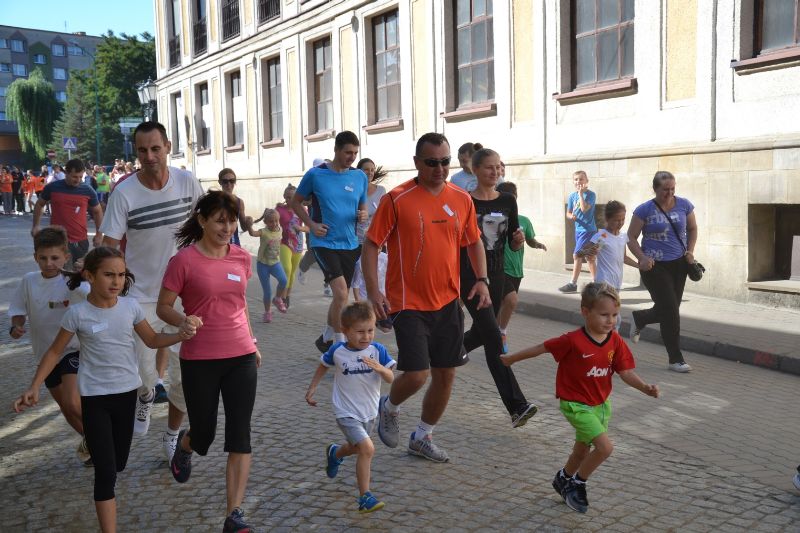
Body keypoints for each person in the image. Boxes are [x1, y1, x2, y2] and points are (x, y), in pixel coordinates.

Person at [13, 246, 195, 533]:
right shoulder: (77, 313)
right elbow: (53, 352)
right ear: (90, 276)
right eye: (109, 275)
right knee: (106, 473)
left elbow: (151, 340)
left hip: (126, 395)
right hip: (94, 398)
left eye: (121, 275)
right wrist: (34, 387)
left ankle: (96, 446)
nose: (116, 282)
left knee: (119, 463)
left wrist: (178, 335)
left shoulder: (130, 307)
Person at [363, 132, 489, 462]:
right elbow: (372, 244)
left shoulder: (462, 198)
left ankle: (422, 436)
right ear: (417, 162)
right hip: (407, 302)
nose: (439, 168)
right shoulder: (397, 199)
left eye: (444, 162)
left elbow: (473, 241)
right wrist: (374, 292)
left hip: (448, 301)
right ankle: (389, 407)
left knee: (446, 374)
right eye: (432, 162)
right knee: (418, 373)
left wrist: (482, 279)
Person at [501, 282, 660, 514]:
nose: (611, 321)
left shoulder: (615, 342)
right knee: (605, 448)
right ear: (585, 312)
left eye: (615, 315)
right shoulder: (572, 340)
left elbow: (625, 372)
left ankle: (563, 478)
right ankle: (577, 484)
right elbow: (542, 347)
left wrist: (645, 388)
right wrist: (512, 358)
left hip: (601, 406)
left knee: (582, 450)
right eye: (604, 315)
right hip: (576, 405)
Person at [100, 121, 204, 462]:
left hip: (184, 295)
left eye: (155, 148)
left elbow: (204, 229)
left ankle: (173, 435)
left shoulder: (187, 182)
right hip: (140, 295)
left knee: (187, 374)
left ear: (168, 146)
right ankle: (145, 396)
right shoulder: (124, 193)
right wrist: (106, 292)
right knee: (142, 374)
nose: (149, 156)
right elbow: (110, 246)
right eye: (142, 150)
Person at [157, 190, 260, 533]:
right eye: (219, 220)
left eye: (231, 220)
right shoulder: (183, 261)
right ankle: (185, 446)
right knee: (204, 435)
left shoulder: (243, 258)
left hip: (241, 356)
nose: (227, 226)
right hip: (200, 358)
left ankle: (235, 514)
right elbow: (163, 306)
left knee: (240, 434)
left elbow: (240, 304)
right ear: (202, 220)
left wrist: (253, 342)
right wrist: (182, 321)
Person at [459, 149, 537, 428]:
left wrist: (518, 240)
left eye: (498, 167)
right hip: (469, 275)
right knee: (493, 336)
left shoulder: (507, 200)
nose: (495, 172)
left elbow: (514, 241)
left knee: (483, 329)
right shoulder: (465, 201)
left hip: (498, 272)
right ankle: (517, 405)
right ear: (476, 170)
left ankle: (449, 351)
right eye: (489, 168)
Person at [8, 226, 91, 464]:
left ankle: (103, 440)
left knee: (74, 401)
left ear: (66, 256)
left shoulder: (72, 282)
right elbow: (17, 310)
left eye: (55, 258)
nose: (49, 263)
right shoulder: (28, 281)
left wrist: (86, 277)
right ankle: (95, 443)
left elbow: (95, 297)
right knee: (66, 408)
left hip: (71, 349)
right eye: (43, 258)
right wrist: (16, 326)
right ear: (35, 257)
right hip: (44, 355)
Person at [305, 301, 396, 513]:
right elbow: (323, 366)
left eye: (370, 330)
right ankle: (365, 497)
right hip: (345, 412)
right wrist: (312, 388)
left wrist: (381, 369)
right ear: (345, 331)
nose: (366, 337)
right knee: (367, 448)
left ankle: (335, 453)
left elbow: (391, 378)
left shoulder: (378, 351)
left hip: (369, 412)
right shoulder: (337, 351)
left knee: (356, 448)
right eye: (360, 332)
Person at [290, 131, 368, 354]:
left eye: (355, 153)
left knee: (339, 297)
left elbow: (362, 205)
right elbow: (296, 202)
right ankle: (339, 345)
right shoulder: (316, 175)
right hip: (323, 242)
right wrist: (312, 225)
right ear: (336, 150)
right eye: (347, 152)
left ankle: (326, 336)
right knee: (342, 293)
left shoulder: (359, 176)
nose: (351, 157)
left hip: (351, 244)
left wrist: (362, 214)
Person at [627, 171, 698, 373]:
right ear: (655, 189)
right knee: (670, 311)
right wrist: (641, 257)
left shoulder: (684, 205)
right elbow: (631, 237)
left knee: (670, 309)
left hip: (679, 264)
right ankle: (675, 359)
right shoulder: (644, 210)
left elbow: (693, 229)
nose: (670, 193)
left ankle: (639, 318)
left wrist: (690, 251)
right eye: (665, 189)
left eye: (672, 188)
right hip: (654, 266)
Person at [494, 181, 547, 353]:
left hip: (517, 270)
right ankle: (501, 333)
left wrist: (536, 244)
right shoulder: (494, 219)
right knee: (509, 301)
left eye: (513, 198)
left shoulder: (523, 220)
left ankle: (492, 336)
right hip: (500, 269)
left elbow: (529, 239)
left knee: (503, 305)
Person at [31, 159, 104, 268]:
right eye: (75, 177)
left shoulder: (87, 190)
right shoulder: (52, 187)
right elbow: (39, 204)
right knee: (62, 276)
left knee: (79, 277)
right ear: (66, 173)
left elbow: (98, 211)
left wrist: (99, 234)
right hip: (57, 241)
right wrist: (36, 225)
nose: (78, 180)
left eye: (80, 177)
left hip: (80, 242)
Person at [583, 201, 640, 330]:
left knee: (610, 315)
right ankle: (612, 344)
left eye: (623, 219)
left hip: (616, 282)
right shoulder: (603, 235)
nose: (620, 223)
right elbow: (585, 249)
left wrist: (639, 266)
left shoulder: (623, 237)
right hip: (604, 282)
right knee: (615, 317)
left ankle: (601, 340)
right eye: (616, 220)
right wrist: (589, 251)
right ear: (608, 219)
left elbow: (624, 257)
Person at [248, 207, 288, 323]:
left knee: (283, 280)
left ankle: (278, 298)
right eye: (271, 221)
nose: (274, 223)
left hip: (275, 263)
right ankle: (267, 312)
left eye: (276, 220)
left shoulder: (280, 229)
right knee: (267, 291)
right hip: (263, 265)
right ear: (265, 222)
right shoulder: (263, 232)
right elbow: (252, 233)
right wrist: (249, 225)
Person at [559, 170, 597, 293]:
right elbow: (568, 212)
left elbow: (584, 209)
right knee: (590, 257)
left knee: (577, 255)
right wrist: (571, 216)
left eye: (581, 179)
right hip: (578, 230)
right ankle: (597, 282)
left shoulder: (591, 195)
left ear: (586, 181)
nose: (578, 182)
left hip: (588, 230)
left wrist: (581, 194)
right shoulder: (571, 196)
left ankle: (573, 283)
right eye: (576, 179)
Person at [275, 183, 307, 307]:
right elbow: (271, 222)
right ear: (284, 196)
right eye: (287, 197)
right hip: (284, 242)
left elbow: (310, 227)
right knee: (287, 269)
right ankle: (282, 296)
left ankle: (287, 295)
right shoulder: (279, 210)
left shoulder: (302, 209)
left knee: (292, 271)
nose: (290, 200)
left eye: (293, 197)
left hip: (297, 244)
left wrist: (301, 228)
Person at [355, 158, 387, 245]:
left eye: (372, 170)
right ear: (359, 171)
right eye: (366, 169)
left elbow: (385, 216)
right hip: (356, 241)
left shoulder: (381, 190)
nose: (370, 172)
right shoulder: (352, 191)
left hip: (376, 240)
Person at [217, 168, 251, 246]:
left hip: (234, 244)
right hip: (217, 245)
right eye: (225, 181)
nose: (229, 184)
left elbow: (244, 228)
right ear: (220, 182)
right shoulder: (214, 201)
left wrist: (248, 222)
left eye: (232, 181)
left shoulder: (239, 202)